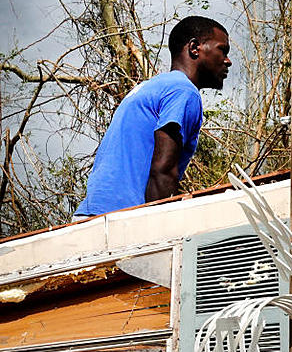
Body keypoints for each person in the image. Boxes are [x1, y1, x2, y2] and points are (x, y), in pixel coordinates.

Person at [73, 16, 231, 219]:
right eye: (222, 50)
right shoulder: (183, 91)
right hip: (122, 221)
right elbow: (163, 170)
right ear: (194, 48)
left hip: (91, 215)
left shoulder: (151, 87)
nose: (227, 60)